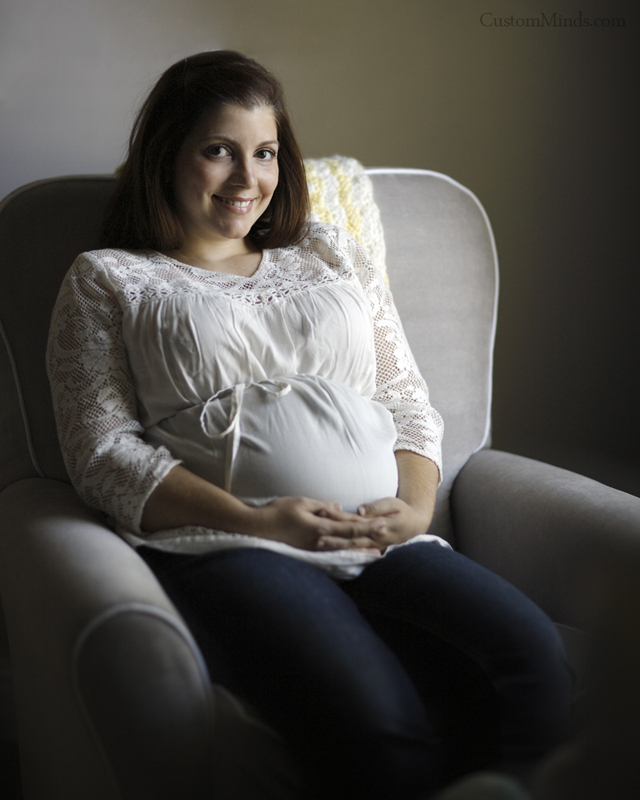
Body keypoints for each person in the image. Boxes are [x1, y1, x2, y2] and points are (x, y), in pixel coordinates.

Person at [46, 51, 572, 799]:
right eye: (218, 150)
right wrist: (257, 520)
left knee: (535, 657)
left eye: (263, 153)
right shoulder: (111, 277)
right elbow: (100, 453)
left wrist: (414, 508)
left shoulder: (328, 251)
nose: (245, 178)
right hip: (231, 547)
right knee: (377, 723)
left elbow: (409, 401)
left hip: (382, 537)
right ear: (168, 153)